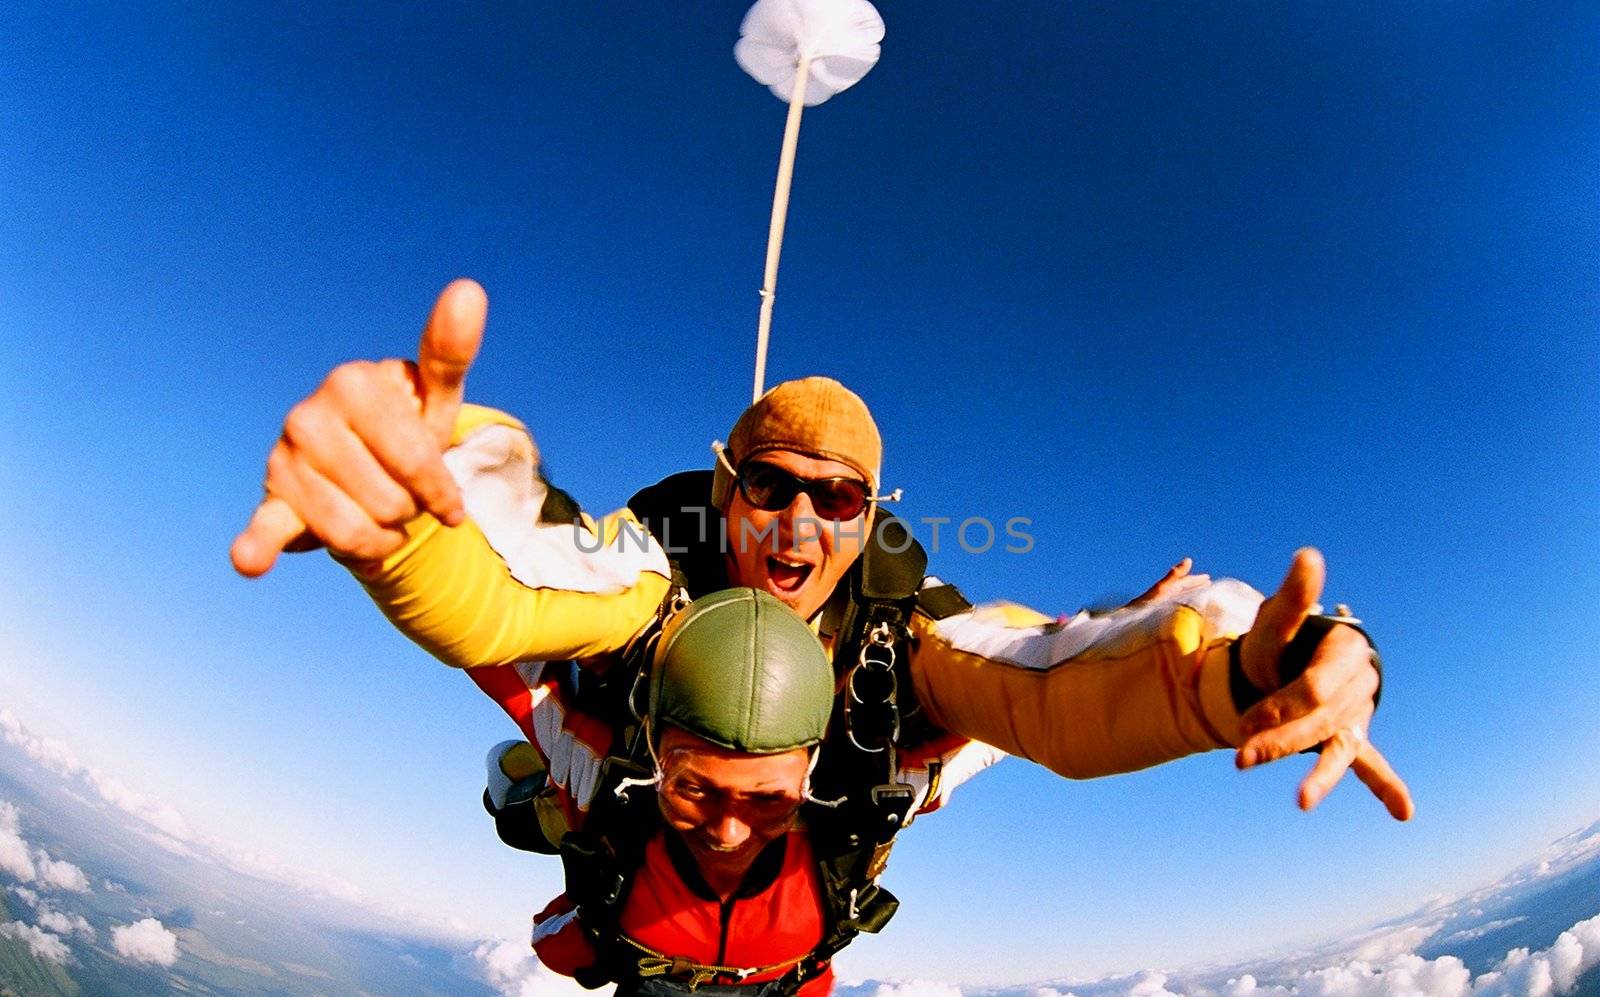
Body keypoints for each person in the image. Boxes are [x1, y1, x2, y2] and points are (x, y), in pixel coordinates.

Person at [232, 279, 1412, 826]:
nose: (801, 524)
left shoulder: (899, 609)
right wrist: (417, 515)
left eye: (838, 500)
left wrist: (1237, 664)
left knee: (953, 742)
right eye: (770, 486)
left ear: (872, 510)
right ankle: (524, 788)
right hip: (637, 774)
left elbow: (1036, 684)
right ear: (726, 482)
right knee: (545, 710)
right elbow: (527, 585)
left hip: (835, 790)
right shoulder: (668, 556)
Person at [501, 586, 867, 997]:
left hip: (611, 848)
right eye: (697, 788)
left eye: (763, 796)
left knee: (510, 787)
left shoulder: (596, 771)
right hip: (740, 953)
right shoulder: (844, 844)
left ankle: (538, 802)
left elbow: (504, 656)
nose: (728, 833)